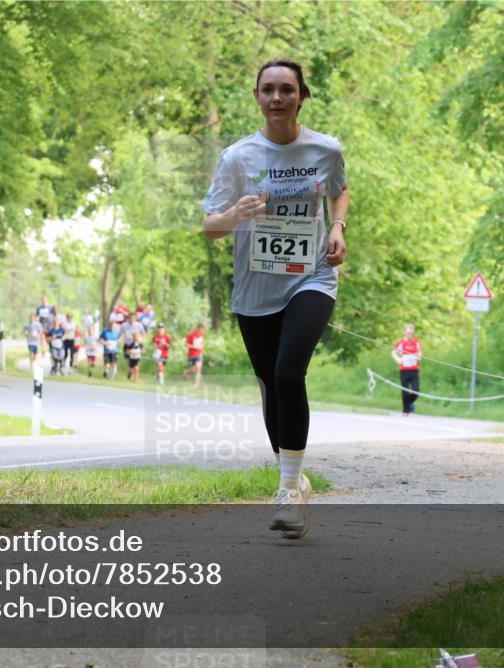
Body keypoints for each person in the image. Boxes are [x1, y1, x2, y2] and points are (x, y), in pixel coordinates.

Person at [201, 58, 349, 539]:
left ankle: (287, 492)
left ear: (302, 96)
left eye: (287, 89)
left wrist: (339, 226)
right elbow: (209, 229)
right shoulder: (238, 158)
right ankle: (295, 478)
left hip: (312, 277)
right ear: (257, 97)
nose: (277, 98)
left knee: (289, 372)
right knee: (270, 384)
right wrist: (236, 214)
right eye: (268, 89)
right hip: (255, 289)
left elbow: (340, 193)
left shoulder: (325, 149)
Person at [392, 324, 422, 415]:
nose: (410, 335)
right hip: (404, 370)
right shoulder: (400, 342)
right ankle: (405, 411)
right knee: (405, 392)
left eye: (411, 333)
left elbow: (419, 351)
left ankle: (409, 404)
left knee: (415, 391)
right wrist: (399, 360)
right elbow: (394, 353)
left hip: (414, 370)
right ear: (404, 332)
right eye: (408, 333)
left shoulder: (416, 342)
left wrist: (419, 356)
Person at [183, 323, 205, 389]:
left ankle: (197, 385)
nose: (201, 331)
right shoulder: (191, 335)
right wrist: (194, 346)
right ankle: (186, 372)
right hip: (191, 355)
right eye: (200, 330)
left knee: (199, 368)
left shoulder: (202, 335)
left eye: (202, 330)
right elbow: (186, 344)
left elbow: (202, 343)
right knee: (193, 370)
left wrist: (201, 348)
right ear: (197, 328)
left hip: (199, 354)